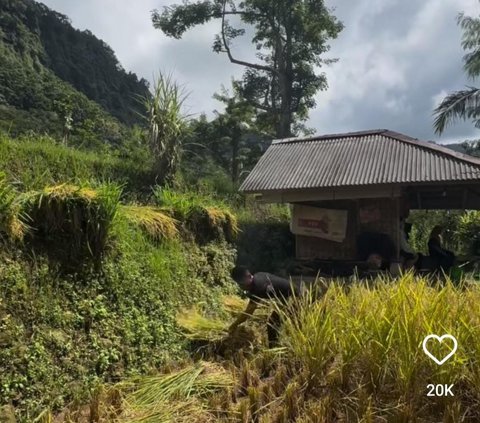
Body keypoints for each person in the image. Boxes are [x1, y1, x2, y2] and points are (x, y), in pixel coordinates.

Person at [228, 266, 302, 347]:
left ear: (249, 276)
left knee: (274, 323)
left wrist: (233, 326)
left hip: (295, 298)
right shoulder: (258, 276)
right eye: (239, 284)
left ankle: (276, 349)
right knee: (277, 322)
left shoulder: (257, 287)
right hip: (288, 296)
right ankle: (278, 346)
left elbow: (248, 313)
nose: (241, 287)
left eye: (242, 284)